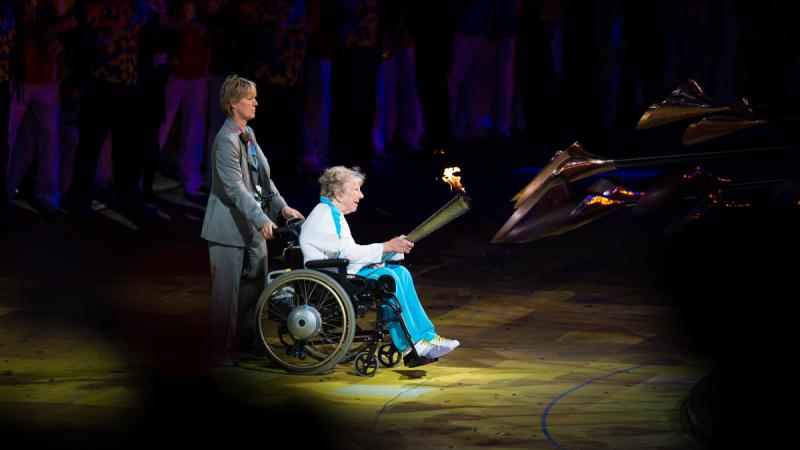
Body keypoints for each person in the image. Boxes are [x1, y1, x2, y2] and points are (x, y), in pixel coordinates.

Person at [299, 166, 459, 362]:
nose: (362, 195)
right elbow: (347, 253)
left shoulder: (332, 213)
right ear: (339, 193)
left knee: (401, 272)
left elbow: (347, 252)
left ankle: (428, 337)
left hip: (343, 271)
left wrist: (389, 251)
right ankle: (412, 344)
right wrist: (386, 247)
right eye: (356, 189)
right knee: (389, 277)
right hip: (335, 280)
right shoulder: (325, 214)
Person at [201, 74, 304, 366]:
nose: (256, 102)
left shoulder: (248, 134)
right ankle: (219, 349)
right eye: (250, 98)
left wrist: (282, 208)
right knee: (227, 296)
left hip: (253, 227)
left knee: (254, 288)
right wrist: (261, 217)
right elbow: (234, 187)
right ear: (233, 104)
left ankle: (248, 340)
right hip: (228, 228)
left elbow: (262, 180)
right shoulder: (226, 140)